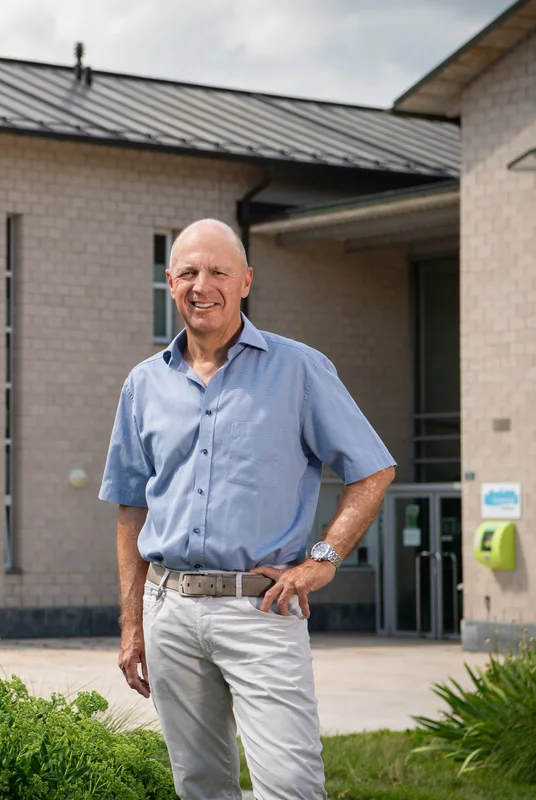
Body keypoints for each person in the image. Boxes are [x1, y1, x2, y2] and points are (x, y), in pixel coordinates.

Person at [99, 219, 395, 800]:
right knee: (201, 785)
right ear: (169, 281)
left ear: (245, 283)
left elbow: (372, 469)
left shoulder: (300, 370)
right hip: (170, 612)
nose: (201, 285)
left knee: (291, 786)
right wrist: (132, 624)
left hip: (261, 609)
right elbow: (131, 505)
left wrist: (324, 559)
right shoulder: (142, 385)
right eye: (188, 272)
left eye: (217, 272)